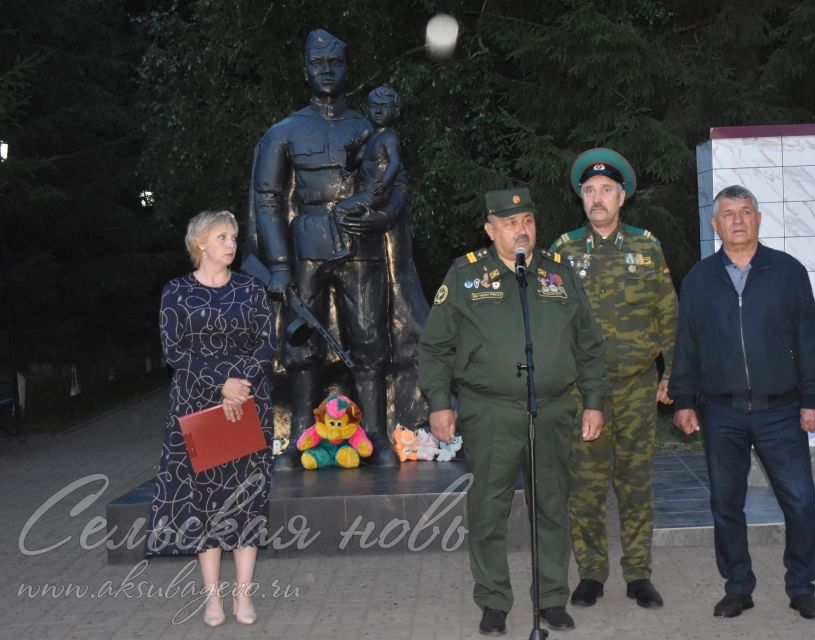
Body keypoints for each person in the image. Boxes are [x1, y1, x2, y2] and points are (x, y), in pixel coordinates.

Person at [418, 188, 608, 635]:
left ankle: (552, 599)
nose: (521, 229)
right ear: (490, 230)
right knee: (488, 507)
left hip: (554, 409)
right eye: (509, 223)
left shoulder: (558, 276)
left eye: (527, 221)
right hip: (491, 411)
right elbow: (435, 347)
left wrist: (594, 401)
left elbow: (589, 345)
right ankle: (494, 600)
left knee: (551, 505)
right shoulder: (466, 277)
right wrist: (440, 404)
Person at [250, 29, 419, 467]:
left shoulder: (370, 128)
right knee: (300, 343)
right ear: (305, 69)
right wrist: (280, 265)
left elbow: (398, 184)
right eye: (318, 64)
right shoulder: (283, 131)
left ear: (347, 70)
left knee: (370, 339)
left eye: (335, 64)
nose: (327, 71)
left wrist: (383, 217)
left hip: (361, 244)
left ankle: (377, 435)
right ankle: (303, 435)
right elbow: (267, 198)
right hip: (305, 245)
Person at [669, 185, 815, 620]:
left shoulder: (788, 272)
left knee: (799, 501)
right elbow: (686, 345)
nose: (737, 220)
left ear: (758, 219)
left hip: (782, 409)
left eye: (745, 212)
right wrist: (683, 400)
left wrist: (813, 397)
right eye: (728, 213)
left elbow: (809, 339)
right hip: (721, 412)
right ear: (714, 224)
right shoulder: (699, 279)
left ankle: (801, 587)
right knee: (726, 503)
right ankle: (738, 587)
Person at [550, 148, 678, 609]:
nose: (597, 198)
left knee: (635, 482)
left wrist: (673, 376)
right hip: (584, 394)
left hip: (637, 387)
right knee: (585, 487)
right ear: (581, 199)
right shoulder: (562, 251)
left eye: (606, 190)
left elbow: (668, 315)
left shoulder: (647, 247)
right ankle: (591, 574)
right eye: (589, 191)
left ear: (622, 198)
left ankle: (639, 574)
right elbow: (551, 323)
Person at [145, 210, 277, 627]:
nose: (231, 244)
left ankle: (244, 598)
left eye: (234, 237)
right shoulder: (176, 292)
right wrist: (222, 384)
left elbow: (266, 344)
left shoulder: (252, 289)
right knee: (204, 503)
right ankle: (213, 600)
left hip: (248, 404)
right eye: (222, 237)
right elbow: (174, 351)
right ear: (200, 243)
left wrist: (240, 387)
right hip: (197, 407)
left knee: (246, 498)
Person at [335, 86, 403, 220]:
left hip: (376, 193)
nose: (378, 111)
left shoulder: (389, 138)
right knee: (342, 211)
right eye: (374, 105)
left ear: (396, 112)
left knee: (340, 210)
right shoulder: (368, 136)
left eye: (384, 106)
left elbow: (394, 163)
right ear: (367, 109)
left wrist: (383, 184)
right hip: (364, 192)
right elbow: (353, 165)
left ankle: (344, 241)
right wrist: (351, 152)